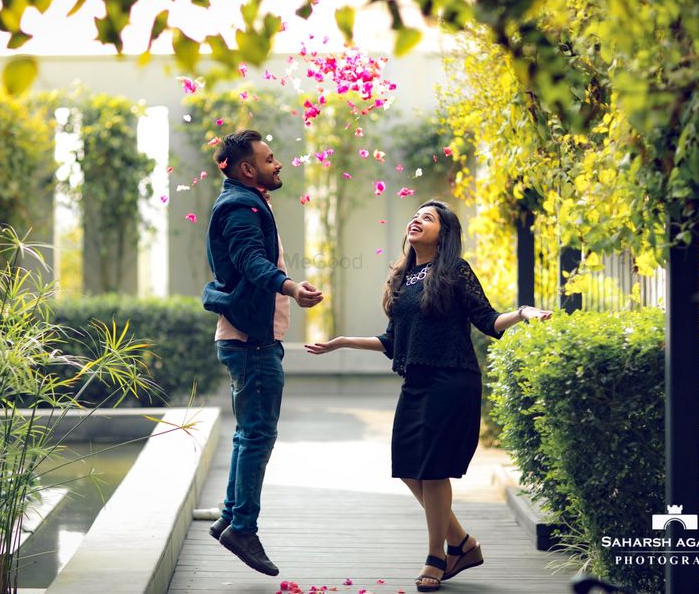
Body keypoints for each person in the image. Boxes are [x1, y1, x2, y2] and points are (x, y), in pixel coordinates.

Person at [305, 200, 550, 592]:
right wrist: (342, 343)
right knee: (406, 466)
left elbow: (487, 320)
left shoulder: (454, 271)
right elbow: (392, 341)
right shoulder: (403, 277)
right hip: (416, 382)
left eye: (429, 217)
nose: (417, 219)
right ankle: (463, 544)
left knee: (433, 470)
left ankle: (438, 556)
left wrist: (521, 313)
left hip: (452, 379)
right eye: (416, 214)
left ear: (444, 233)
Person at [202, 129, 323, 577]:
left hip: (247, 338)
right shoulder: (240, 207)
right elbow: (253, 262)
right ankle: (243, 528)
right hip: (250, 342)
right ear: (247, 168)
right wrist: (291, 287)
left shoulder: (243, 201)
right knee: (257, 435)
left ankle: (231, 516)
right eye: (270, 159)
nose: (279, 164)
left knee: (247, 433)